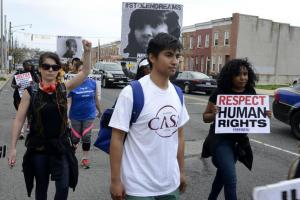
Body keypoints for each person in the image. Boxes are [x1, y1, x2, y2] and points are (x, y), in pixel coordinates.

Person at [8, 40, 92, 200]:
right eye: (46, 66)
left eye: (55, 67)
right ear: (40, 69)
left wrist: (87, 52)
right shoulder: (30, 92)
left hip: (60, 146)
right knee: (41, 188)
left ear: (58, 70)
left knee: (63, 188)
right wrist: (12, 148)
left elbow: (85, 72)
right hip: (38, 147)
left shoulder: (63, 88)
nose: (50, 70)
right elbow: (19, 120)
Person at [109, 33, 189, 200]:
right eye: (168, 55)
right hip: (138, 187)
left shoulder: (178, 93)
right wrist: (115, 180)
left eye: (177, 56)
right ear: (152, 57)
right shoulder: (132, 92)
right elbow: (116, 138)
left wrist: (181, 172)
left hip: (170, 184)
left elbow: (179, 136)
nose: (175, 61)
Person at [201, 58, 272, 200]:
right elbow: (205, 117)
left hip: (237, 142)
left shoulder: (250, 92)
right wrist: (214, 114)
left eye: (245, 74)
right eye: (238, 74)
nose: (243, 78)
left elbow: (253, 114)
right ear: (230, 76)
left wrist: (265, 114)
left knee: (223, 174)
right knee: (231, 179)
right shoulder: (220, 92)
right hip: (220, 140)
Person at [68, 61, 101, 169]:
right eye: (80, 70)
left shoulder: (92, 83)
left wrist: (99, 111)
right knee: (75, 138)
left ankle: (85, 158)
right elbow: (69, 102)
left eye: (84, 70)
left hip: (89, 114)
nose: (82, 72)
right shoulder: (72, 84)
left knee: (86, 136)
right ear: (77, 71)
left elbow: (96, 99)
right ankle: (71, 158)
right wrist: (67, 115)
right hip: (75, 115)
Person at [11, 61, 40, 139]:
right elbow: (12, 85)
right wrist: (16, 86)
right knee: (21, 113)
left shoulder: (34, 74)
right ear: (24, 66)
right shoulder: (18, 73)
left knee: (29, 113)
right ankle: (21, 132)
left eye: (31, 65)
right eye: (28, 65)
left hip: (30, 97)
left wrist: (33, 83)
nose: (30, 66)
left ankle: (29, 126)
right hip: (19, 97)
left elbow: (39, 83)